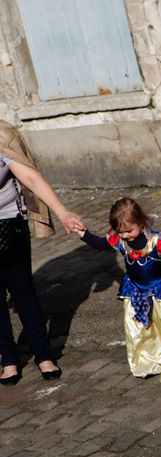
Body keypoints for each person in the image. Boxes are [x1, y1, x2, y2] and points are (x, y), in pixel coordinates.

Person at [0, 120, 84, 386]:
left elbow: (31, 177)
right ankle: (8, 360)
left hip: (8, 225)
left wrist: (63, 213)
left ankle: (43, 355)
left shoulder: (2, 136)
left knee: (23, 291)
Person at [76, 197, 161, 382]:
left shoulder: (156, 240)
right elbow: (99, 244)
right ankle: (146, 360)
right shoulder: (120, 240)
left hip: (160, 290)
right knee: (139, 329)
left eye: (129, 231)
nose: (124, 236)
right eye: (120, 232)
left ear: (141, 222)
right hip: (136, 290)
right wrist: (83, 233)